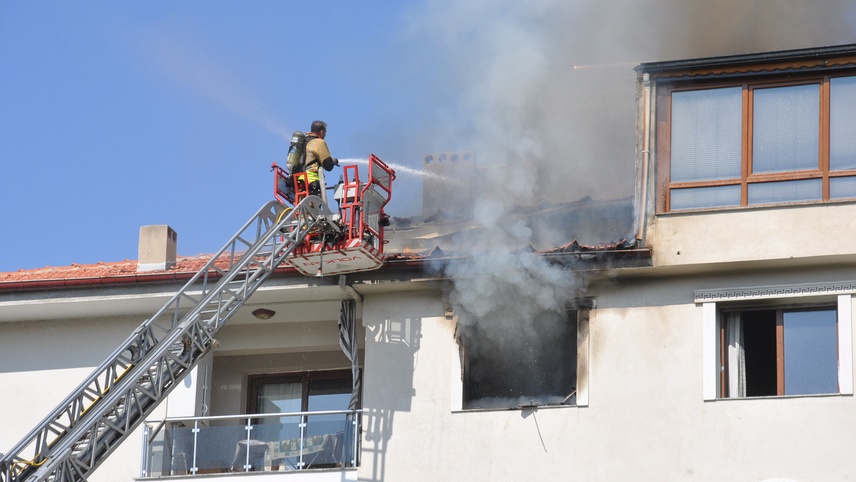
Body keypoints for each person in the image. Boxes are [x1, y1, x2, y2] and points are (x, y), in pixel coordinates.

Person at [303, 120, 339, 203]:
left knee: (302, 208)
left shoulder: (303, 142)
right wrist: (333, 160)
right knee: (313, 208)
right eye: (325, 132)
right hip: (311, 182)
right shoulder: (319, 142)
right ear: (322, 132)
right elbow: (328, 165)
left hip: (298, 182)